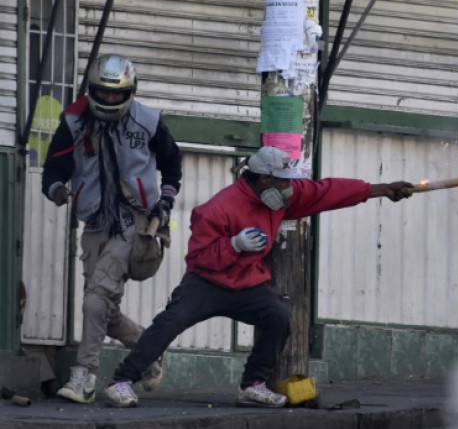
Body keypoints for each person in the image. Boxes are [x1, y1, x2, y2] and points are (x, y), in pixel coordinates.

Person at [103, 145, 414, 408]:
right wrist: (233, 245)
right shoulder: (217, 209)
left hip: (247, 282)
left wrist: (381, 190)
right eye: (282, 182)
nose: (289, 189)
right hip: (206, 282)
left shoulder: (279, 197)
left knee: (278, 315)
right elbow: (200, 257)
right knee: (168, 323)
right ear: (264, 179)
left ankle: (252, 384)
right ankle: (121, 380)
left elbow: (327, 191)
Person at [42, 53, 182, 404]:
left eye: (116, 93)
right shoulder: (73, 121)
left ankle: (83, 376)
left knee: (94, 300)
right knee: (106, 309)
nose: (108, 99)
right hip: (92, 221)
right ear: (92, 90)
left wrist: (165, 201)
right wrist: (57, 189)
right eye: (102, 93)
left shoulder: (148, 122)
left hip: (134, 222)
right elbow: (53, 169)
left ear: (130, 91)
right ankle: (150, 350)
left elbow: (172, 164)